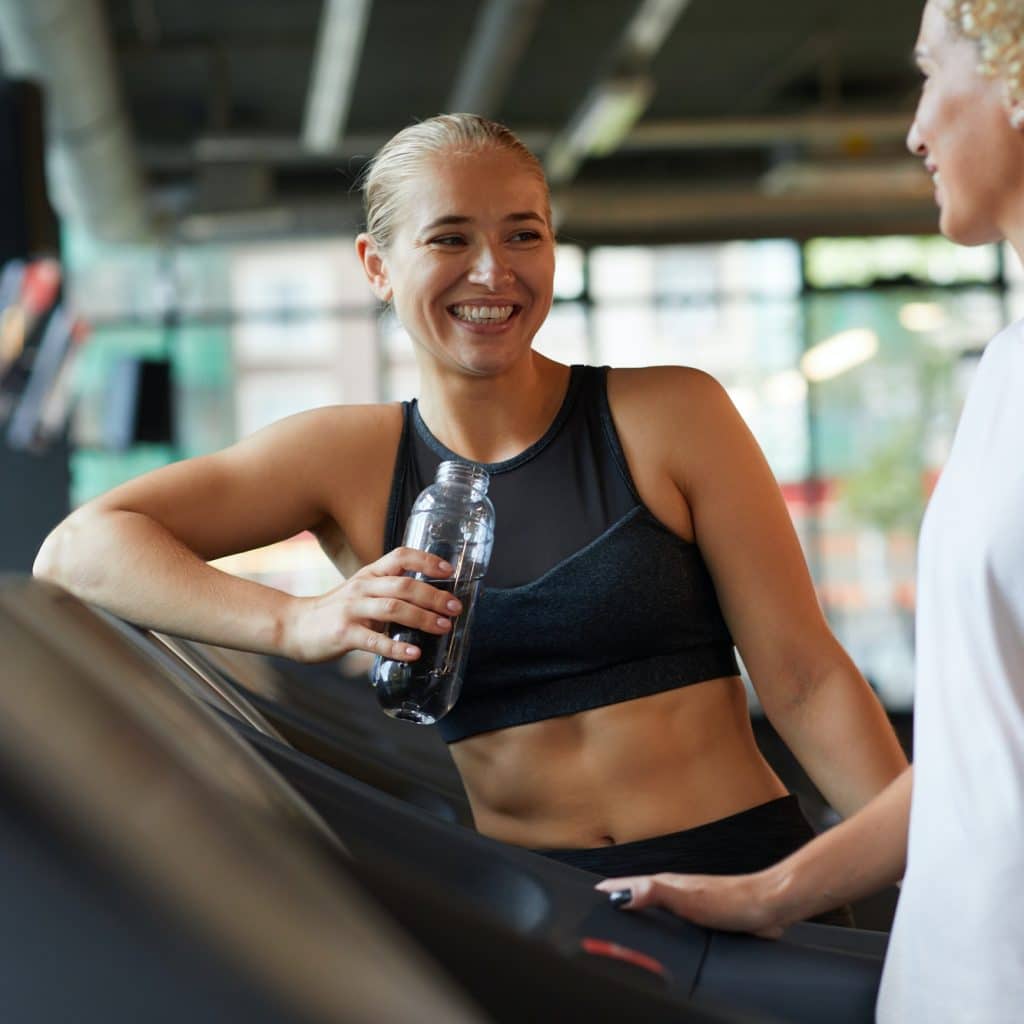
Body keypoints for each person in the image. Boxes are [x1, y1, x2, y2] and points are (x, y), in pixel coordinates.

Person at [32, 113, 905, 903]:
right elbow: (79, 549)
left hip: (752, 872)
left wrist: (929, 867)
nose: (494, 270)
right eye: (450, 238)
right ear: (377, 266)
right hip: (548, 906)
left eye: (523, 234)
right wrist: (299, 621)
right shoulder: (345, 458)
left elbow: (804, 678)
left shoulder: (673, 413)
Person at [596, 1, 1024, 1019]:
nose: (915, 128)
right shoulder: (1005, 365)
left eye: (929, 73)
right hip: (952, 963)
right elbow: (983, 747)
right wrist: (772, 892)